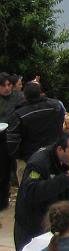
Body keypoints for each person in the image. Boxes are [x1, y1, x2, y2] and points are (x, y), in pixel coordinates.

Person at [6, 81, 65, 163]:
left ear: (25, 96)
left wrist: (17, 156)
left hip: (29, 158)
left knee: (27, 175)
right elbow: (60, 125)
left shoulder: (19, 114)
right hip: (53, 153)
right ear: (41, 93)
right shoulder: (55, 106)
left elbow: (12, 141)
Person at [1, 72, 22, 210]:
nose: (7, 88)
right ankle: (3, 201)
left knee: (20, 169)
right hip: (2, 139)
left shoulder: (18, 97)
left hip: (18, 138)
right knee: (3, 171)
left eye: (9, 85)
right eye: (3, 86)